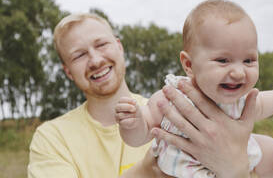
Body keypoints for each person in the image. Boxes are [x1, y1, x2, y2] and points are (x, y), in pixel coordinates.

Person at [28, 13, 258, 178]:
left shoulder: (176, 114)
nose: (95, 60)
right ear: (68, 71)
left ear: (119, 47)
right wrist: (147, 172)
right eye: (79, 55)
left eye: (102, 45)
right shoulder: (52, 139)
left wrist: (235, 170)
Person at [115, 0, 273, 178]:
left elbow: (267, 101)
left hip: (235, 160)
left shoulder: (243, 100)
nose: (239, 72)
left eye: (249, 60)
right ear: (189, 65)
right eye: (223, 60)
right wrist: (133, 123)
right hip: (181, 172)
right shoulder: (173, 96)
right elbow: (140, 137)